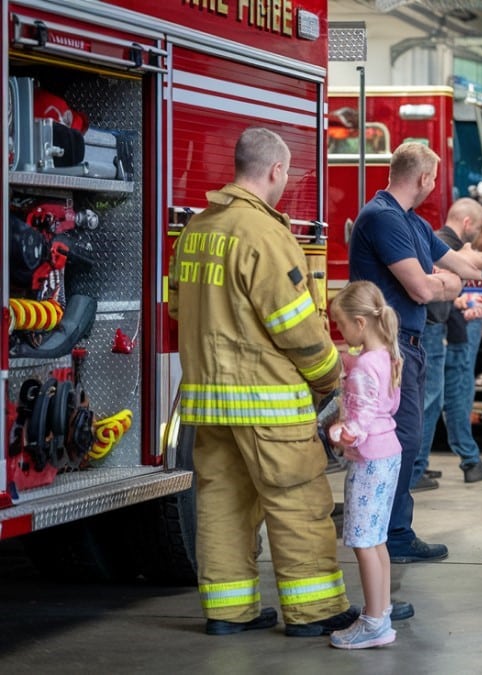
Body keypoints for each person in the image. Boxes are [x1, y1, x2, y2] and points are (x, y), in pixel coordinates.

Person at [168, 127, 356, 637]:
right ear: (276, 171)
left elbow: (177, 307)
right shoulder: (267, 236)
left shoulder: (196, 229)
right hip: (268, 404)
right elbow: (296, 325)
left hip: (208, 405)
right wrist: (331, 378)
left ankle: (229, 613)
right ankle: (314, 612)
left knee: (223, 506)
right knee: (298, 502)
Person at [348, 142, 482, 568]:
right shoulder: (382, 219)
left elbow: (464, 265)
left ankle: (394, 531)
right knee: (399, 442)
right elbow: (423, 289)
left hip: (408, 346)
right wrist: (443, 284)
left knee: (406, 438)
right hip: (389, 350)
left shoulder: (412, 223)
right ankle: (393, 534)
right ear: (424, 179)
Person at [325, 282, 404, 649]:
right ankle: (380, 612)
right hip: (388, 452)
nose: (340, 332)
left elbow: (358, 424)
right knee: (378, 540)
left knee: (361, 541)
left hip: (369, 458)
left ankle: (373, 623)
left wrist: (336, 431)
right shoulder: (386, 355)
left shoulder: (363, 369)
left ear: (360, 323)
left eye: (342, 325)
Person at [415, 198, 482, 487]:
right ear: (466, 223)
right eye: (476, 228)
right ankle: (416, 468)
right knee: (433, 398)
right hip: (433, 328)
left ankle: (420, 464)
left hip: (438, 329)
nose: (476, 235)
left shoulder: (441, 242)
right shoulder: (443, 245)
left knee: (437, 397)